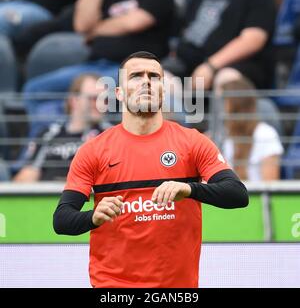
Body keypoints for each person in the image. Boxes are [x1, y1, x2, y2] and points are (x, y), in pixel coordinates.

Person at [53, 51, 249, 288]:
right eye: (136, 76)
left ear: (163, 91)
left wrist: (189, 189)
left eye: (154, 77)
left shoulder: (192, 142)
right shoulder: (94, 151)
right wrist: (92, 217)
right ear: (119, 93)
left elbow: (237, 194)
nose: (146, 81)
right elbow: (61, 220)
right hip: (113, 288)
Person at [23, 0, 174, 131]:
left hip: (134, 71)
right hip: (94, 66)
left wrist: (95, 29)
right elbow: (82, 25)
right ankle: (46, 148)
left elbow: (132, 23)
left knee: (91, 95)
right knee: (35, 90)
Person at [13, 74, 110, 182]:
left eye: (105, 99)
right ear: (74, 101)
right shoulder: (48, 134)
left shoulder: (110, 136)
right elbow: (27, 176)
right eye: (93, 98)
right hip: (48, 195)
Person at [219, 77, 284, 181]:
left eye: (223, 101)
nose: (220, 107)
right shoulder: (222, 136)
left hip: (256, 196)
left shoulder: (266, 134)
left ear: (236, 105)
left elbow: (271, 185)